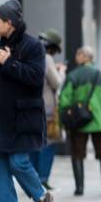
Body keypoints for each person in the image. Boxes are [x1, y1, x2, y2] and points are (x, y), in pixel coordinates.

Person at [0, 0, 53, 202]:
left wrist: (9, 62)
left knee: (18, 162)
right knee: (1, 166)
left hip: (23, 118)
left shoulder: (33, 46)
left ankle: (41, 197)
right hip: (0, 117)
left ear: (9, 22)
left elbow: (35, 78)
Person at [59, 46, 101, 196]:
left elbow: (64, 100)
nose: (76, 57)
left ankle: (79, 188)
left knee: (77, 153)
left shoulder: (73, 76)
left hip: (79, 123)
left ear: (83, 57)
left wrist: (64, 122)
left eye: (77, 54)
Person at [29, 29, 66, 190]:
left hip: (30, 107)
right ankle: (43, 177)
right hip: (47, 109)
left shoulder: (30, 56)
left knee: (33, 143)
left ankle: (33, 178)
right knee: (48, 143)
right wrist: (62, 73)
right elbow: (56, 83)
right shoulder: (47, 58)